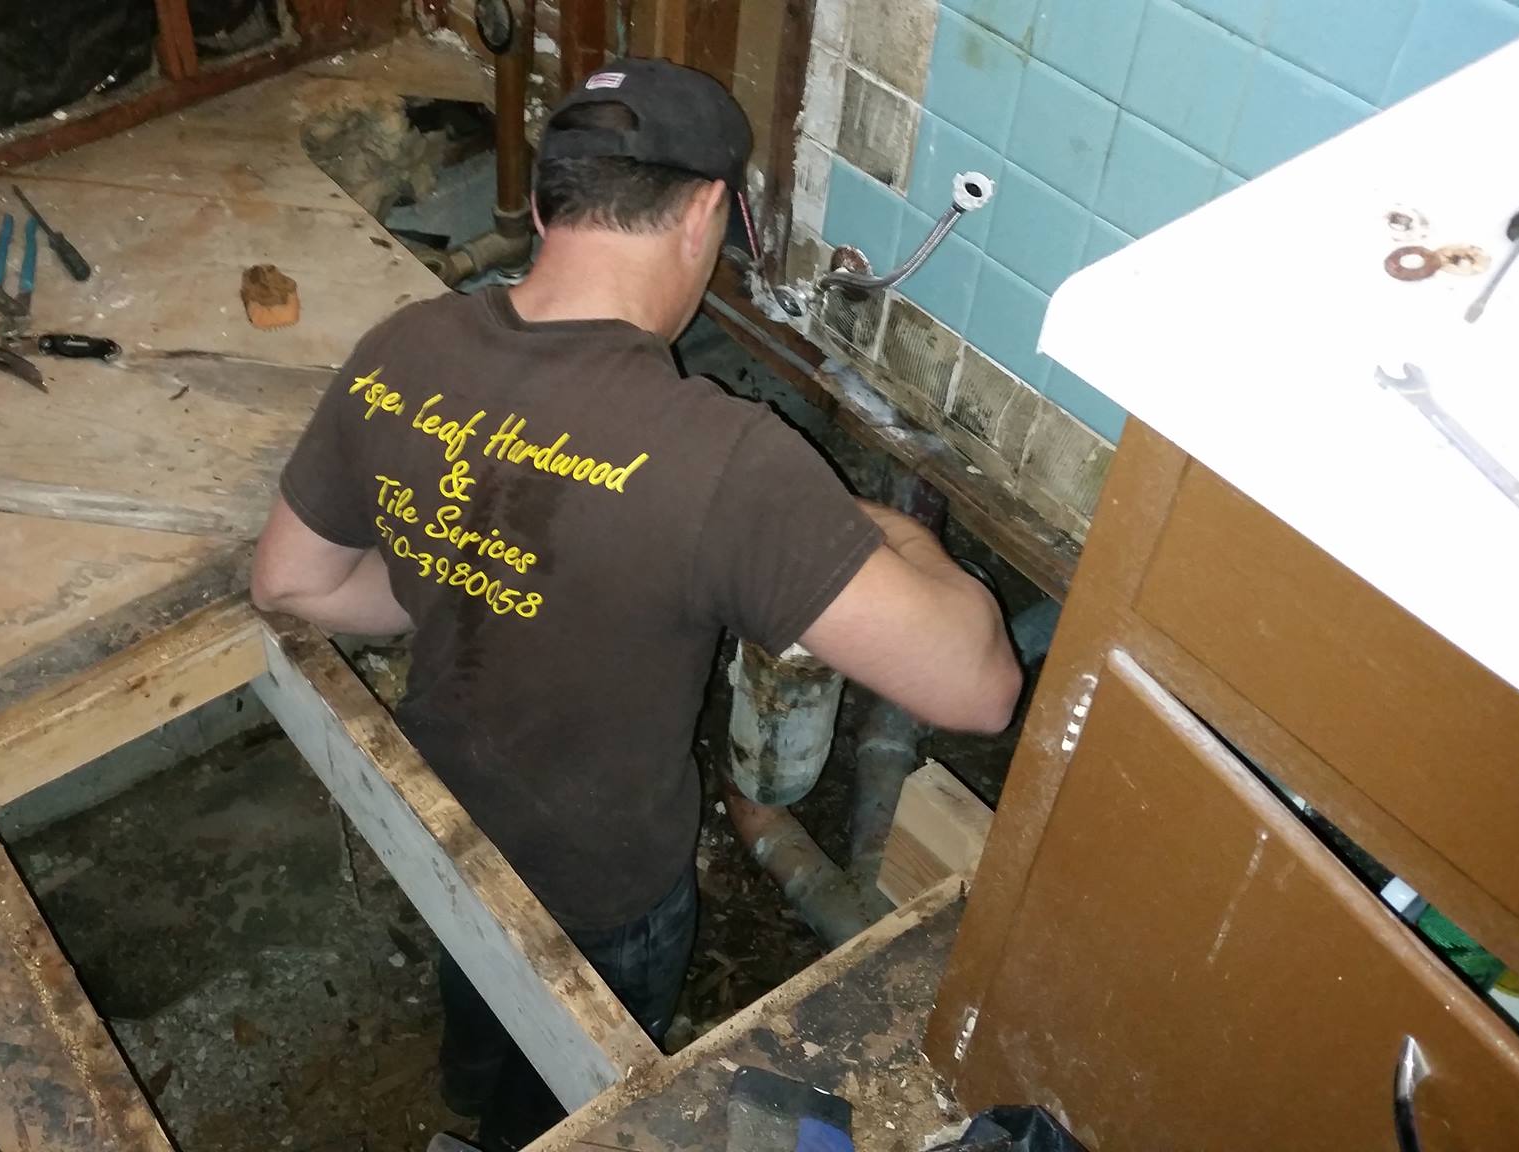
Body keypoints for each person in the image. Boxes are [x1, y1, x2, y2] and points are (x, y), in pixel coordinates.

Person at [251, 57, 1021, 1150]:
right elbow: (979, 687)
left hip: (446, 826)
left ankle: (468, 1111)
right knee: (571, 1105)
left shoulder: (400, 349)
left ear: (539, 204)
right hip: (600, 893)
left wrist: (467, 571)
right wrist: (882, 529)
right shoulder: (728, 463)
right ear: (706, 211)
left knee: (477, 1005)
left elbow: (292, 581)